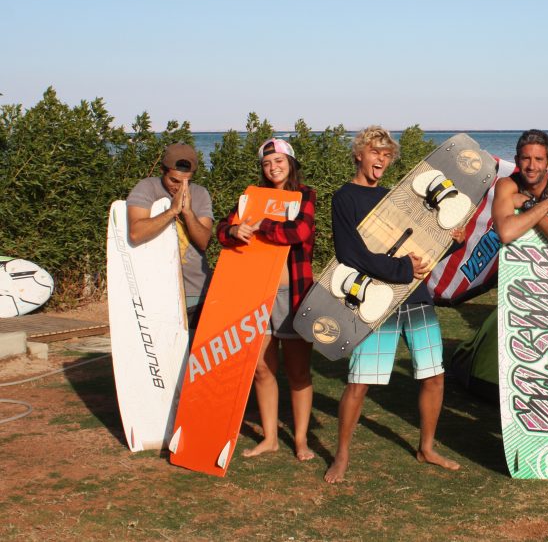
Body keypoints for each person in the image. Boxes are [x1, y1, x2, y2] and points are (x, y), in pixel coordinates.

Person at [324, 126, 464, 483]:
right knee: (360, 382)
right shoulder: (344, 199)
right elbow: (350, 254)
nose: (381, 162)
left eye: (387, 156)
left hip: (415, 296)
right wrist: (402, 269)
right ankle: (341, 455)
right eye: (375, 153)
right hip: (374, 297)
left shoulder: (395, 197)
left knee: (434, 376)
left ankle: (427, 447)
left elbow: (424, 244)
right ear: (359, 154)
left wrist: (455, 242)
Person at [216, 138, 317, 462]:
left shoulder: (305, 196)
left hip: (295, 295)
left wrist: (262, 226)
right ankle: (271, 438)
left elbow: (299, 232)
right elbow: (222, 229)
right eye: (266, 163)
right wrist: (235, 232)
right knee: (260, 369)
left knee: (299, 371)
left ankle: (300, 440)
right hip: (256, 293)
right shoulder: (251, 199)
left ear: (291, 163)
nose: (273, 167)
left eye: (279, 161)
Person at [126, 143, 213, 330]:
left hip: (196, 292)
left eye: (186, 181)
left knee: (193, 356)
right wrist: (172, 211)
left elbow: (204, 242)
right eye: (174, 181)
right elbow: (135, 233)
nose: (180, 187)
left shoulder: (200, 194)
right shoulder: (146, 188)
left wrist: (188, 212)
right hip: (157, 291)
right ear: (162, 171)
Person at [490, 129, 548, 251]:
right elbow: (505, 234)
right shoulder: (506, 184)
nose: (531, 166)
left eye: (538, 159)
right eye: (526, 158)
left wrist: (527, 205)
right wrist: (545, 205)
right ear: (517, 161)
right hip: (517, 266)